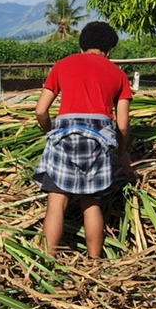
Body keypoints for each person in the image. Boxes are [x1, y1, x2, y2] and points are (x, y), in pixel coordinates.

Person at [33, 21, 133, 258]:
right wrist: (122, 152)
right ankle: (94, 265)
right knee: (91, 203)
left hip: (64, 135)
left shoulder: (62, 65)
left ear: (82, 46)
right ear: (108, 50)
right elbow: (123, 125)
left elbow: (40, 111)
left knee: (56, 202)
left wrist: (50, 132)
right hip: (99, 139)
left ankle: (48, 262)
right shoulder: (118, 75)